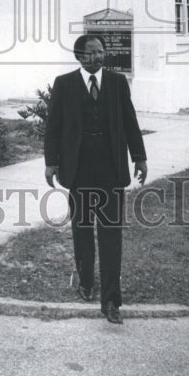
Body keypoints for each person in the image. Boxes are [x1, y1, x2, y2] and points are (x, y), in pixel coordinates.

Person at [44, 34, 147, 325]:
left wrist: (139, 156)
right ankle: (86, 281)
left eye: (101, 51)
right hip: (78, 171)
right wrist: (51, 163)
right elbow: (53, 127)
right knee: (82, 229)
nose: (97, 57)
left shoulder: (117, 83)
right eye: (91, 53)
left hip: (111, 170)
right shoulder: (64, 84)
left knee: (111, 234)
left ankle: (112, 302)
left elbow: (130, 122)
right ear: (79, 56)